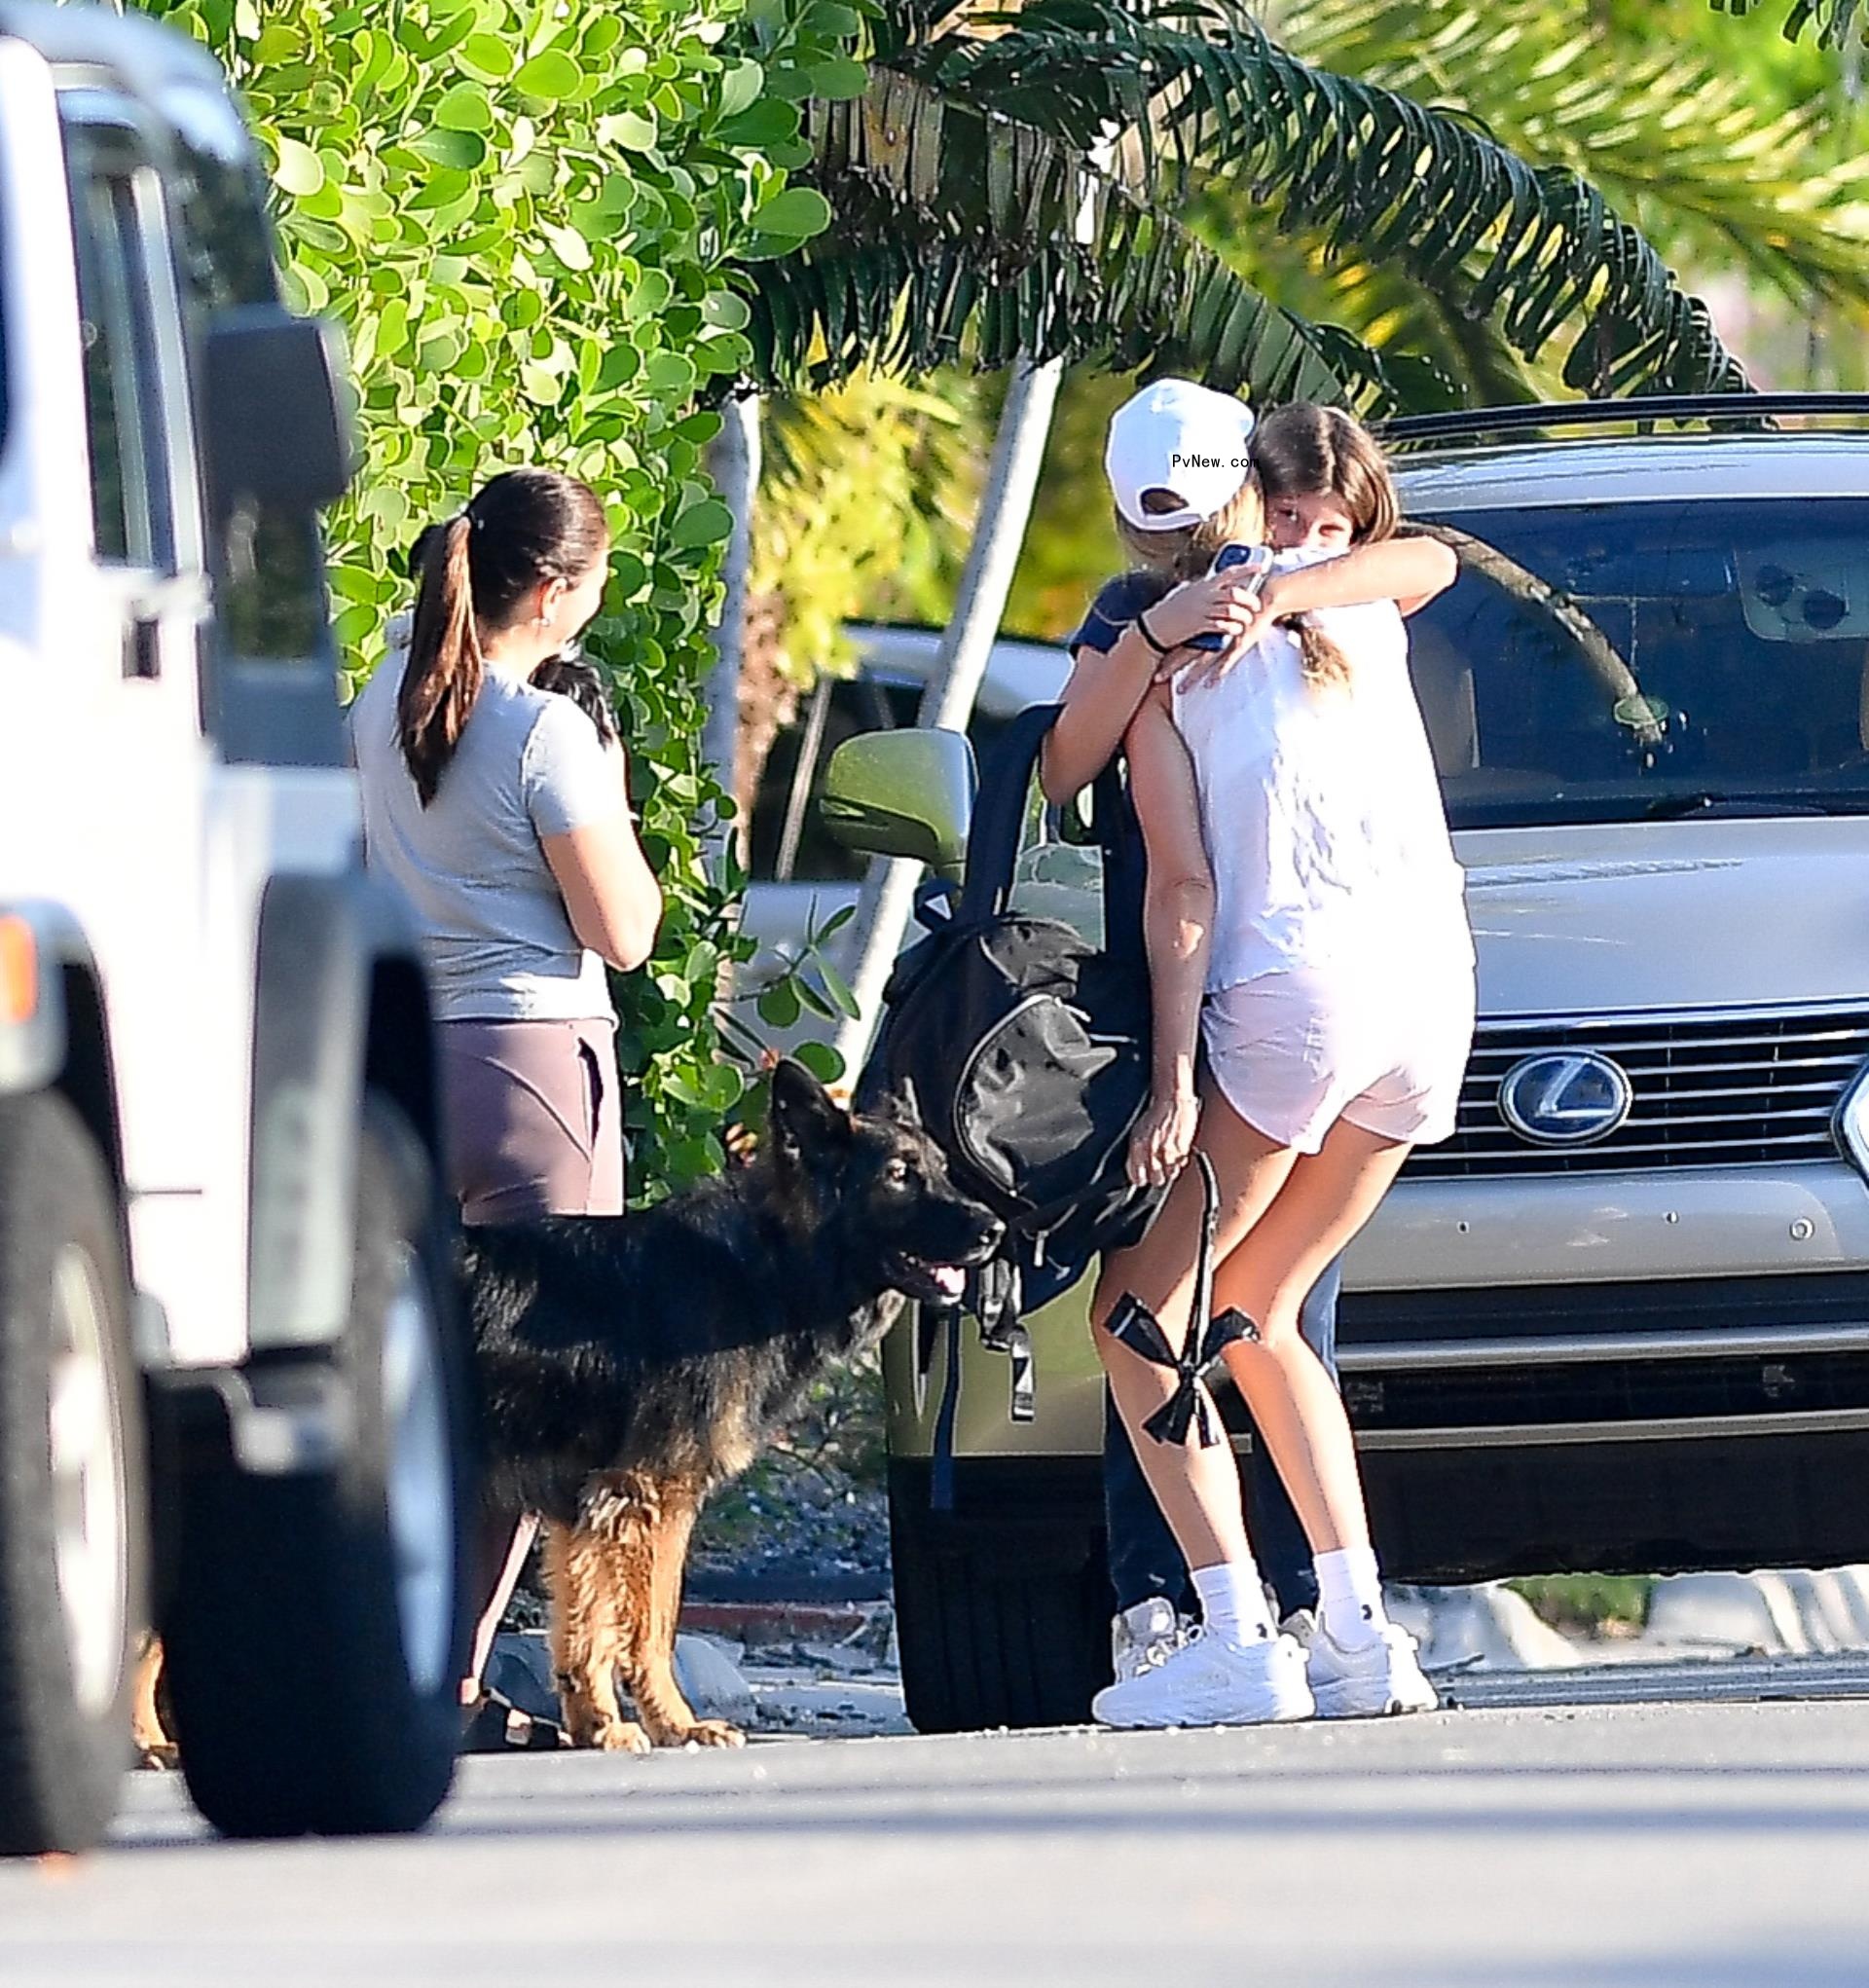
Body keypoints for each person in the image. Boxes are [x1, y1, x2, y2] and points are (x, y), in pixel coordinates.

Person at [1044, 382, 1466, 1722]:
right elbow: (1432, 558)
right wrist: (1279, 588)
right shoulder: (1355, 597)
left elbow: (1177, 889)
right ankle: (1358, 1631)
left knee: (1132, 1317)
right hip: (1429, 1002)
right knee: (1267, 1309)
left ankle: (1231, 1628)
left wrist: (1171, 1080)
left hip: (1296, 996)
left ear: (1134, 516)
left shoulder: (1168, 661)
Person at [347, 465, 664, 1737]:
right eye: (590, 585)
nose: (591, 605)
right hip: (537, 1071)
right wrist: (619, 794)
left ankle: (394, 1645)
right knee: (542, 1392)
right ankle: (458, 1673)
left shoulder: (379, 699)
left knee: (425, 1380)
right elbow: (624, 928)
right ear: (551, 589)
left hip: (411, 1071)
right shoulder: (548, 732)